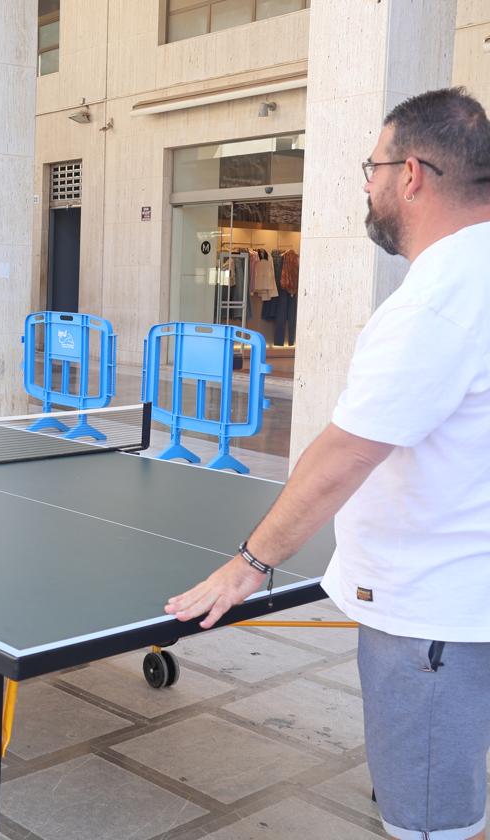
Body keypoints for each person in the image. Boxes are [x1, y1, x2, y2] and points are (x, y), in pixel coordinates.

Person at [166, 88, 490, 840]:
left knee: (433, 822)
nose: (367, 185)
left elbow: (346, 453)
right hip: (468, 599)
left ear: (411, 174)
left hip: (432, 617)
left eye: (371, 167)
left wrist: (250, 562)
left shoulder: (437, 301)